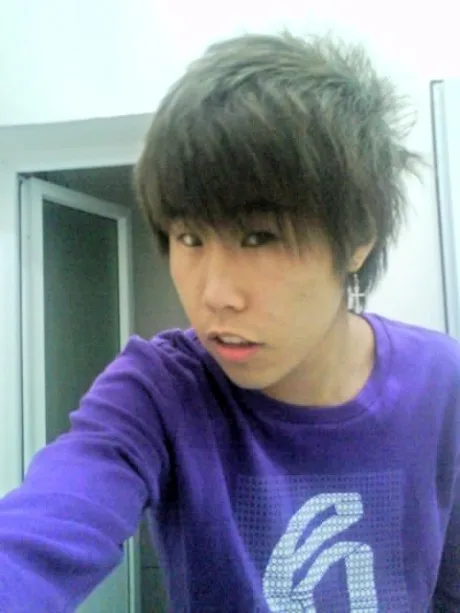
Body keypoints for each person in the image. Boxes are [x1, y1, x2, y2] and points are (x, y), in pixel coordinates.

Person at [0, 31, 458, 613]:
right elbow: (41, 532)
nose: (214, 295)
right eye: (190, 238)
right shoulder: (159, 391)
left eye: (259, 237)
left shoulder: (442, 384)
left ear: (358, 238)